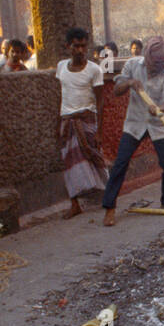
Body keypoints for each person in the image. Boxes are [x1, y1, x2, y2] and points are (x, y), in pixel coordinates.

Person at [101, 35, 164, 226]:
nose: (155, 68)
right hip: (134, 124)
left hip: (157, 124)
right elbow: (117, 90)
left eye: (159, 64)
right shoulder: (133, 65)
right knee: (121, 163)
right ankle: (109, 208)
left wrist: (159, 108)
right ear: (147, 58)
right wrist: (129, 83)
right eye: (153, 64)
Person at [55, 26, 108, 219]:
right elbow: (60, 96)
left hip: (87, 121)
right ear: (68, 46)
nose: (80, 50)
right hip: (67, 122)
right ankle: (75, 204)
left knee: (95, 157)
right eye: (76, 46)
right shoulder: (61, 67)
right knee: (68, 163)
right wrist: (57, 124)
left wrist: (100, 131)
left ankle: (108, 196)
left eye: (83, 46)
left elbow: (101, 101)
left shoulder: (94, 70)